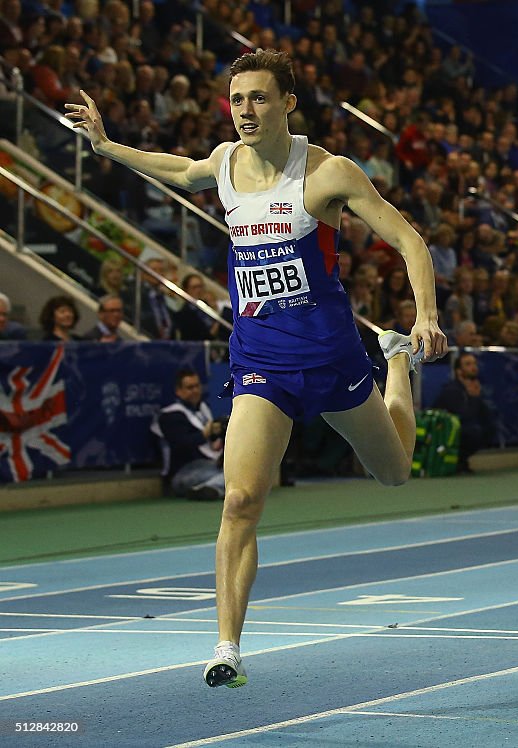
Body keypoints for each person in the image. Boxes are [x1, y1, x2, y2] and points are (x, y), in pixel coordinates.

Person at [66, 48, 447, 690]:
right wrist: (106, 146)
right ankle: (227, 648)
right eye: (237, 99)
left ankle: (397, 367)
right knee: (241, 498)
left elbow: (410, 240)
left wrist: (427, 316)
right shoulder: (224, 163)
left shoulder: (328, 173)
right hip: (261, 361)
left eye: (259, 98)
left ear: (287, 103)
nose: (245, 111)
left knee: (394, 472)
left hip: (331, 360)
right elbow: (180, 170)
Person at [151, 367, 226, 501]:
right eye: (190, 388)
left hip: (208, 465)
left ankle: (210, 489)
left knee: (239, 472)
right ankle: (213, 488)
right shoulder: (170, 415)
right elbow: (181, 443)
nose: (195, 391)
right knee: (232, 477)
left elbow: (209, 443)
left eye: (197, 386)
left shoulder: (203, 409)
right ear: (178, 391)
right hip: (183, 472)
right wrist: (204, 434)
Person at [433, 352, 496, 473]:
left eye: (474, 364)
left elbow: (485, 415)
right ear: (459, 371)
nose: (473, 367)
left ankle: (462, 460)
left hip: (463, 428)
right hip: (443, 432)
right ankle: (457, 461)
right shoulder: (452, 390)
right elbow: (465, 416)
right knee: (473, 431)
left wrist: (476, 397)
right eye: (468, 364)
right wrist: (474, 398)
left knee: (490, 428)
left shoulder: (475, 387)